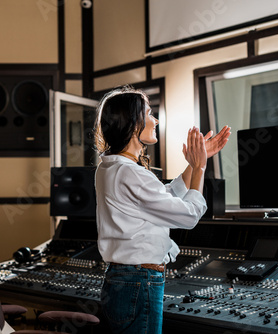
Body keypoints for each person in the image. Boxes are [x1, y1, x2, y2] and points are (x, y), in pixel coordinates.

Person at [94, 85, 230, 334]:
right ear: (134, 123)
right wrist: (199, 169)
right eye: (149, 113)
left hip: (124, 280)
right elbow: (189, 215)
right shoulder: (128, 172)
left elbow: (163, 198)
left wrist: (195, 163)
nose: (155, 120)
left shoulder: (112, 168)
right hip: (138, 281)